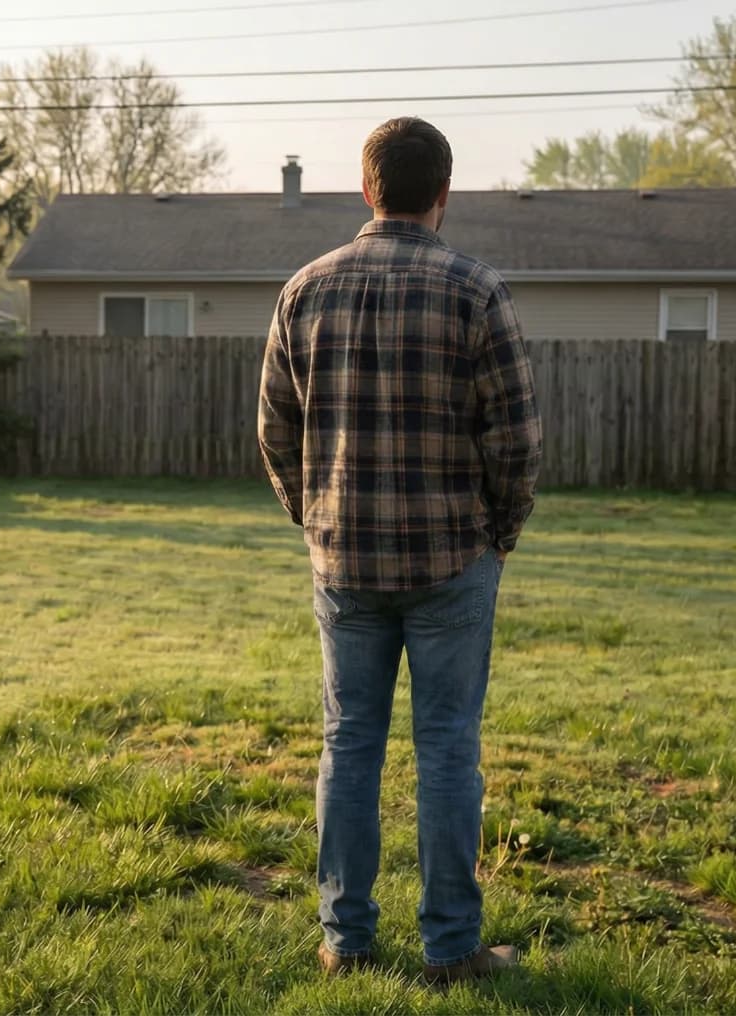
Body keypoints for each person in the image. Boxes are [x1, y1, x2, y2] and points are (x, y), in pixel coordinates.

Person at [258, 116, 542, 986]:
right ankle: (452, 949)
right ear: (444, 192)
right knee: (449, 749)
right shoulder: (475, 290)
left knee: (350, 745)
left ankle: (345, 942)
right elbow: (517, 440)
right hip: (452, 560)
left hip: (345, 562)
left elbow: (276, 429)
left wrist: (316, 518)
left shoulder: (305, 290)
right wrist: (498, 534)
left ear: (367, 186)